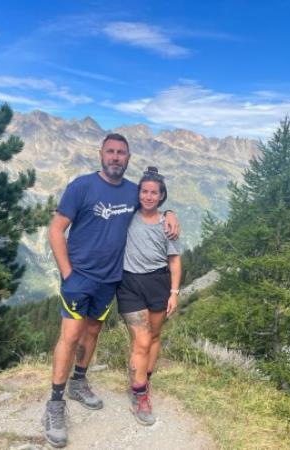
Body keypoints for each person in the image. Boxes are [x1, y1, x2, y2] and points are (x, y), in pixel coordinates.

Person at [42, 134, 178, 448]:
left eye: (121, 153)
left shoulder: (133, 191)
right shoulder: (82, 186)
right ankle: (55, 403)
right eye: (111, 152)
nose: (116, 157)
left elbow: (152, 206)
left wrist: (171, 215)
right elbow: (56, 229)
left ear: (128, 158)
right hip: (79, 278)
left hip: (109, 281)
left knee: (92, 332)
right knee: (71, 335)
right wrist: (67, 273)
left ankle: (78, 381)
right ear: (101, 154)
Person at [116, 166, 182, 426]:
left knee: (154, 336)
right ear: (138, 193)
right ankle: (139, 393)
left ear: (162, 196)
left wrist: (174, 293)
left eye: (154, 192)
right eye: (144, 191)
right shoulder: (128, 214)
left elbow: (175, 261)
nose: (148, 196)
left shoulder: (168, 226)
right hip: (129, 283)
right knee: (141, 341)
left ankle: (145, 377)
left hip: (158, 282)